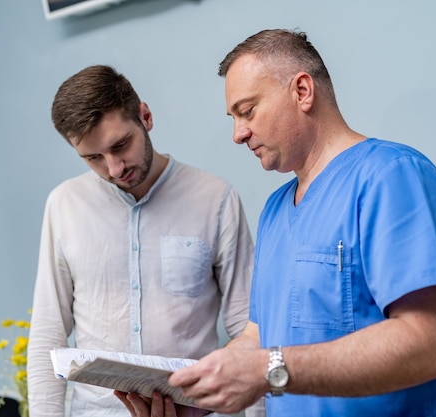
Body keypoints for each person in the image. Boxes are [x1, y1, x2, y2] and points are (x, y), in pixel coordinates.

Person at [157, 28, 436, 417]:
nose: (238, 133)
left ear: (302, 92)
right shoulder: (275, 212)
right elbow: (258, 337)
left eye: (247, 111)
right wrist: (193, 397)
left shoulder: (393, 176)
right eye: (233, 118)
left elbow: (428, 345)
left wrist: (268, 369)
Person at [27, 65, 262, 417]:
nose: (114, 168)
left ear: (145, 117)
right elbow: (48, 333)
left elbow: (250, 329)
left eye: (120, 145)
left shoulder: (216, 199)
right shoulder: (63, 206)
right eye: (93, 158)